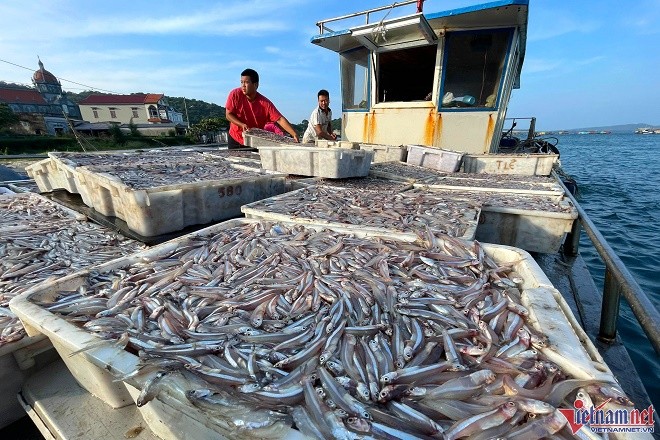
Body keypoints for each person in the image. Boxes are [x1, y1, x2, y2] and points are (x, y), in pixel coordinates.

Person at [225, 68, 299, 149]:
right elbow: (228, 115)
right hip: (235, 138)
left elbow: (280, 119)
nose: (243, 85)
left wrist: (294, 133)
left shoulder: (265, 103)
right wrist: (241, 124)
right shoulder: (235, 94)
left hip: (254, 139)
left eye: (246, 82)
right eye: (241, 82)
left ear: (256, 85)